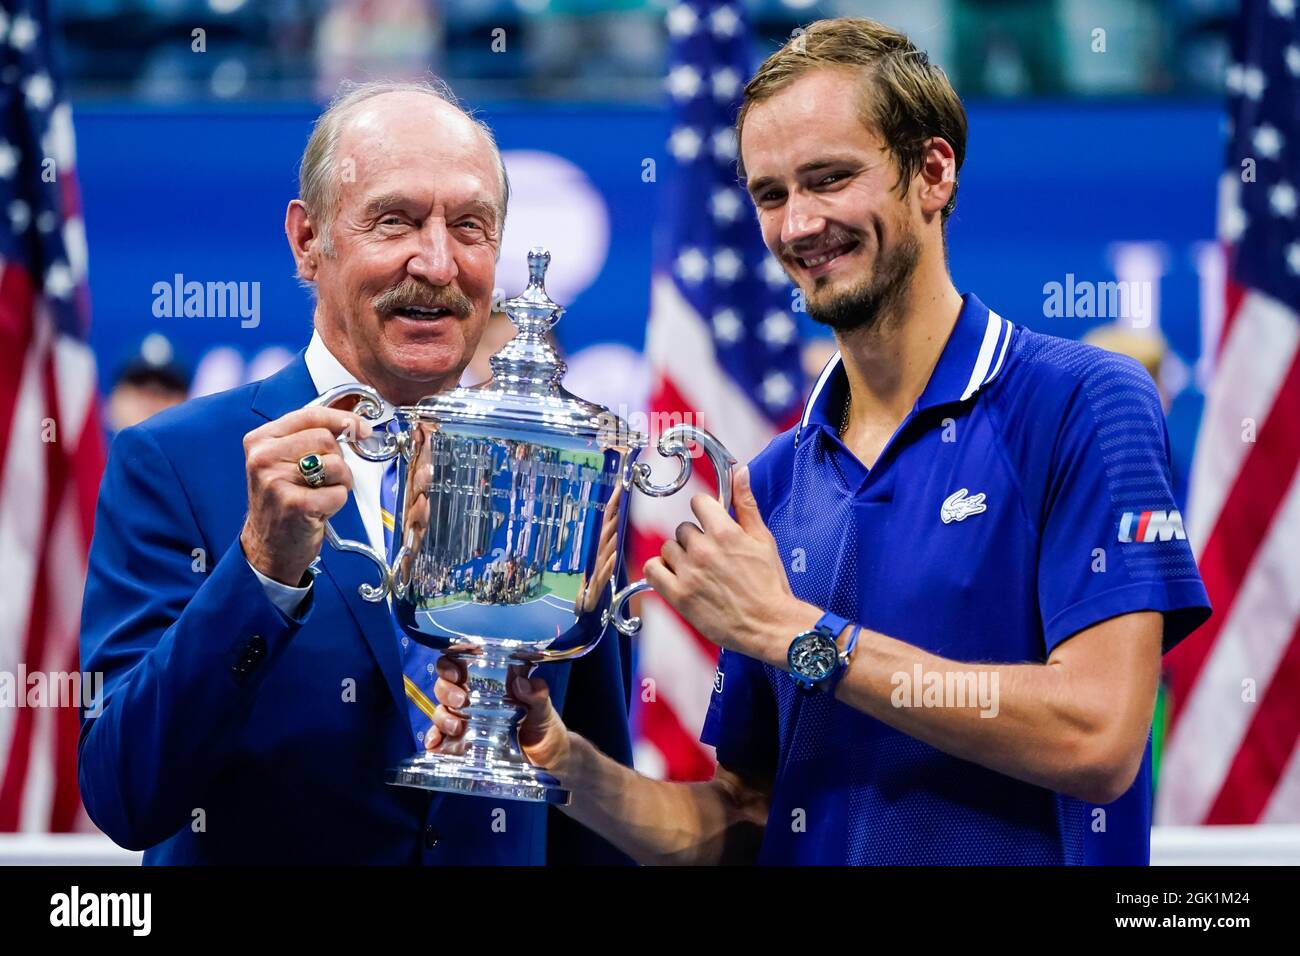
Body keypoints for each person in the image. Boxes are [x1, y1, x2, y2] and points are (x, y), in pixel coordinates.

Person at [428, 18, 1211, 865]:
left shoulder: (1085, 403)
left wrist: (805, 637)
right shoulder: (769, 484)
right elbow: (745, 819)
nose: (799, 224)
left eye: (830, 179)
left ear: (934, 173)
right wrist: (564, 761)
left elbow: (1097, 738)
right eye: (771, 194)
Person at [78, 79, 633, 864]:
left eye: (470, 226)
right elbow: (124, 794)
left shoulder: (558, 470)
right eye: (395, 221)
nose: (437, 262)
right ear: (309, 240)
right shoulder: (172, 463)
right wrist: (263, 571)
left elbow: (593, 815)